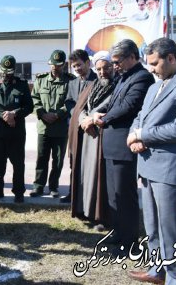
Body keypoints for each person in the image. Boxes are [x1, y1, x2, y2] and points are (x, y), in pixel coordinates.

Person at [127, 38, 176, 285]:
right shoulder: (155, 86)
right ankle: (157, 271)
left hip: (170, 168)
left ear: (171, 58)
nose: (151, 69)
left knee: (170, 229)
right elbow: (140, 117)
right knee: (152, 226)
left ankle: (175, 279)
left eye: (154, 63)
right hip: (148, 164)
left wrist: (142, 135)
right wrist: (134, 138)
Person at [93, 39, 154, 252]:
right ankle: (118, 232)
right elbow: (112, 102)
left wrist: (104, 119)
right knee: (113, 194)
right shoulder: (123, 77)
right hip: (111, 144)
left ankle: (129, 241)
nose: (115, 66)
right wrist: (100, 112)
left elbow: (129, 106)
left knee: (125, 195)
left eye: (118, 62)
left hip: (123, 145)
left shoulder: (142, 77)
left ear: (132, 57)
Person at [69, 51, 115, 229]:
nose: (103, 72)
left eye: (106, 68)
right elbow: (80, 107)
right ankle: (85, 211)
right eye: (99, 69)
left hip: (101, 136)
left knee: (98, 178)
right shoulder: (93, 84)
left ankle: (100, 216)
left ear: (113, 67)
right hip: (86, 135)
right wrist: (83, 120)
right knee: (85, 176)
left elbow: (111, 108)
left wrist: (91, 119)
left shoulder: (117, 85)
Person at [0, 55, 33, 203]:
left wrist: (15, 114)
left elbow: (29, 106)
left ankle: (19, 192)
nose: (6, 75)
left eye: (9, 72)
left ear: (14, 71)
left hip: (16, 132)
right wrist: (7, 116)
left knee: (18, 164)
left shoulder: (22, 84)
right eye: (3, 71)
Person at [30, 50, 75, 197]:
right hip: (44, 126)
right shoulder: (41, 80)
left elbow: (71, 101)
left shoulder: (70, 81)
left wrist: (57, 114)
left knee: (58, 159)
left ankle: (54, 186)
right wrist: (42, 113)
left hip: (60, 127)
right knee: (42, 157)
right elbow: (35, 98)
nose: (55, 67)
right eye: (52, 64)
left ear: (64, 65)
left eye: (58, 65)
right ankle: (38, 186)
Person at [61, 49, 97, 203]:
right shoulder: (73, 83)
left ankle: (89, 196)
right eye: (74, 66)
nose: (76, 69)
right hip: (75, 128)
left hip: (91, 128)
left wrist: (86, 118)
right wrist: (77, 115)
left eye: (79, 65)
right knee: (74, 162)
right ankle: (73, 193)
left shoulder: (97, 80)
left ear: (88, 63)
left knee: (90, 164)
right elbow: (68, 101)